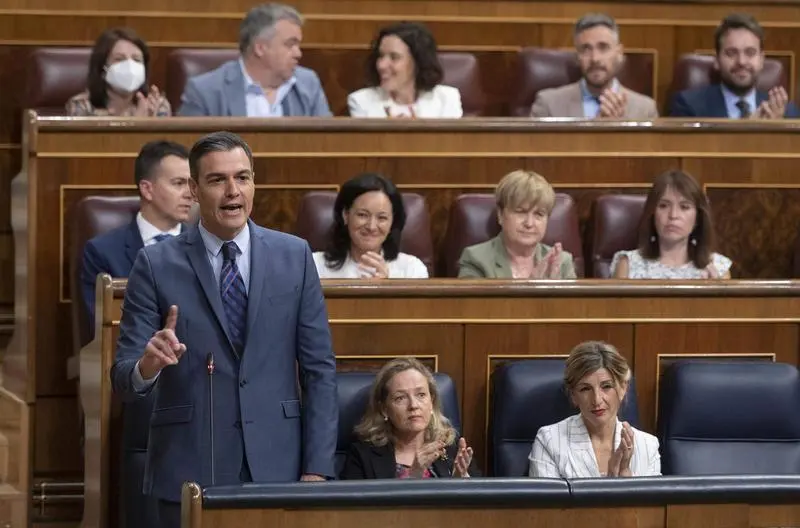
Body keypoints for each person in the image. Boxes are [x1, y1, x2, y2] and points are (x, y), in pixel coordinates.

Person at [111, 131, 338, 528]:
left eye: (243, 177)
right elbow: (124, 377)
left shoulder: (294, 255)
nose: (233, 191)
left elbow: (320, 370)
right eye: (217, 180)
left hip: (277, 465)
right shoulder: (155, 263)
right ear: (195, 191)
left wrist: (317, 469)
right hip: (188, 465)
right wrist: (148, 366)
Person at [80, 141, 190, 528]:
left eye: (192, 183)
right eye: (179, 182)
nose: (190, 193)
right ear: (147, 189)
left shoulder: (205, 247)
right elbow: (102, 329)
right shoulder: (104, 251)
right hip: (134, 376)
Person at [528, 341, 661, 478]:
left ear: (623, 389)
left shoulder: (647, 446)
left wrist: (626, 482)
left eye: (606, 386)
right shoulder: (550, 441)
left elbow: (655, 500)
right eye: (585, 389)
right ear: (573, 395)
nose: (596, 400)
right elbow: (545, 500)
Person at [178, 3, 331, 117]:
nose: (298, 53)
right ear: (260, 48)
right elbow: (189, 151)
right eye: (290, 44)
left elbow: (327, 143)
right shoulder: (205, 91)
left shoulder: (308, 84)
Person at [340, 357, 478, 479]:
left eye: (421, 395)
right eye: (400, 398)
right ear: (384, 409)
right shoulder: (362, 456)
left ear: (432, 402)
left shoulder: (453, 450)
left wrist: (460, 483)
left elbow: (483, 504)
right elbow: (355, 507)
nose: (413, 405)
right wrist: (413, 475)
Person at [670, 14, 800, 118]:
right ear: (717, 60)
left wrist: (776, 131)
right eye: (731, 53)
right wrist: (752, 129)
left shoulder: (787, 112)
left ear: (761, 60)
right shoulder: (688, 106)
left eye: (750, 53)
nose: (741, 62)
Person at [530, 14, 657, 119]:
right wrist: (597, 126)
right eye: (586, 49)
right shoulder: (548, 104)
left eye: (603, 47)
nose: (595, 58)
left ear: (619, 53)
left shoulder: (645, 109)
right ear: (577, 56)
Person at [611, 170, 732, 279]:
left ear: (697, 218)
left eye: (684, 207)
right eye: (663, 206)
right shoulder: (628, 265)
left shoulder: (718, 268)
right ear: (652, 213)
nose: (673, 215)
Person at [458, 170, 576, 279]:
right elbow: (471, 303)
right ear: (500, 215)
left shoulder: (561, 263)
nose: (529, 223)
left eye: (539, 214)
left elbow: (576, 302)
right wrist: (532, 287)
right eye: (521, 212)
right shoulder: (476, 260)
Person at [313, 173, 428, 279]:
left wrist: (388, 288)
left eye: (382, 218)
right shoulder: (314, 266)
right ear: (346, 215)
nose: (371, 227)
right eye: (362, 215)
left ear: (392, 221)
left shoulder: (412, 269)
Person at [348, 22, 462, 118]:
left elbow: (452, 144)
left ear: (418, 62)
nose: (381, 65)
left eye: (394, 57)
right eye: (381, 56)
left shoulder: (447, 99)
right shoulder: (361, 102)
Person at [66, 27, 170, 117]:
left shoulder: (157, 105)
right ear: (102, 67)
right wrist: (137, 124)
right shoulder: (82, 105)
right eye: (119, 59)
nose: (130, 66)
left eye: (137, 60)